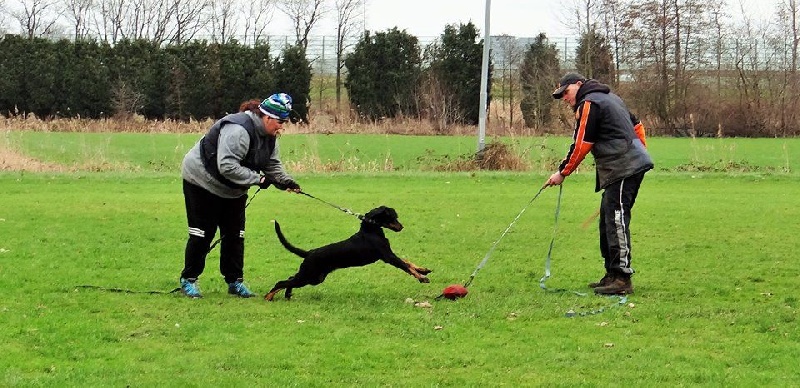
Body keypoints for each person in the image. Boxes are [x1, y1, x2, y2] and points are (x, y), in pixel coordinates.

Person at [178, 93, 302, 298]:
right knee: (202, 233)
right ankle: (188, 280)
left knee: (235, 234)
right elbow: (226, 166)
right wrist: (258, 180)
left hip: (233, 188)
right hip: (200, 180)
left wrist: (285, 181)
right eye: (280, 122)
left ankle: (235, 281)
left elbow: (272, 165)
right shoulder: (239, 131)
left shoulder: (270, 138)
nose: (282, 127)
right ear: (268, 117)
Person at [545, 73, 653, 295]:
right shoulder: (612, 98)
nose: (565, 98)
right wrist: (640, 153)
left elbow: (582, 143)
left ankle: (622, 278)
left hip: (623, 166)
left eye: (566, 92)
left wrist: (562, 172)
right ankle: (611, 274)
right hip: (624, 166)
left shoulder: (590, 103)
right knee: (608, 219)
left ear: (578, 85)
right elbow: (638, 126)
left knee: (616, 219)